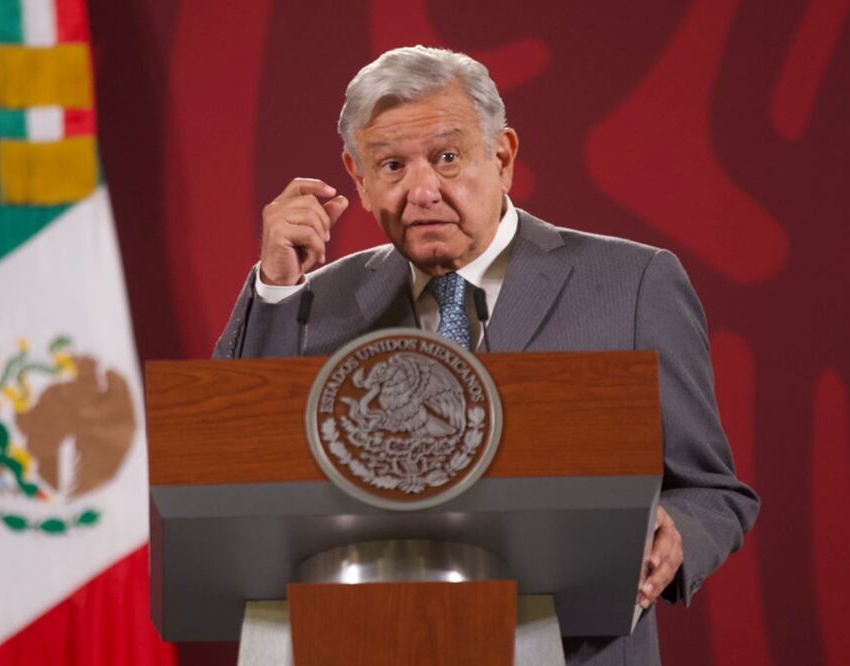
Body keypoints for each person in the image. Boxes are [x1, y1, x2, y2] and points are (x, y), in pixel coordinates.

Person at [213, 45, 758, 665]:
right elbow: (227, 473)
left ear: (502, 157)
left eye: (447, 158)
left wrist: (678, 532)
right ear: (358, 179)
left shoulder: (632, 283)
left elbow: (712, 490)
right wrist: (276, 291)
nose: (422, 191)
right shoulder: (315, 300)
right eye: (391, 166)